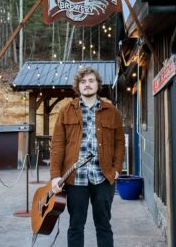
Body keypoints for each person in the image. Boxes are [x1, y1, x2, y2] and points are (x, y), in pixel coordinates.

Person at [50, 66, 125, 247]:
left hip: (103, 177)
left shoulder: (111, 111)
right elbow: (57, 144)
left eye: (91, 81)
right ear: (78, 86)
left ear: (98, 84)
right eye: (83, 82)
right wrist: (55, 176)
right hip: (75, 180)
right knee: (76, 226)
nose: (87, 85)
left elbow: (120, 142)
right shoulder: (66, 110)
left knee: (104, 225)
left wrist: (116, 169)